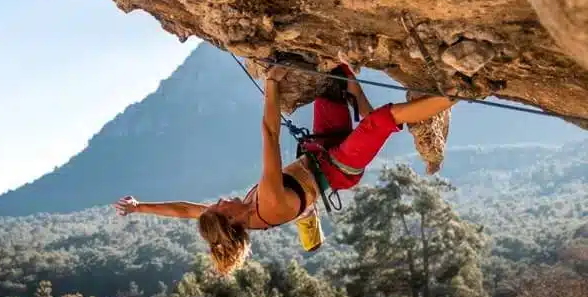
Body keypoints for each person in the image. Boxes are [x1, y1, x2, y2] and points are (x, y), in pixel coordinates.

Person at [113, 62, 458, 274]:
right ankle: (457, 94)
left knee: (333, 80)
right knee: (382, 120)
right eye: (220, 205)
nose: (219, 199)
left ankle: (364, 101)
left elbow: (184, 210)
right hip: (341, 166)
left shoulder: (236, 214)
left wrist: (139, 207)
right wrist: (272, 83)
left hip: (322, 148)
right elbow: (269, 133)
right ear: (231, 220)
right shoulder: (269, 203)